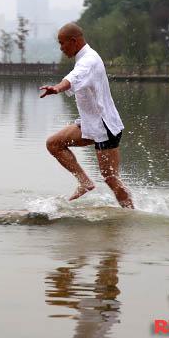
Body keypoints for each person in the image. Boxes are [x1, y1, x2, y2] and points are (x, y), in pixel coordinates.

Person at [39, 23, 134, 209]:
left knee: (111, 178)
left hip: (105, 127)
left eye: (62, 43)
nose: (61, 48)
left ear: (74, 41)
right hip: (90, 124)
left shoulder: (89, 61)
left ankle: (131, 214)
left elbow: (74, 77)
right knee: (54, 144)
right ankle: (85, 183)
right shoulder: (85, 58)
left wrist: (57, 88)